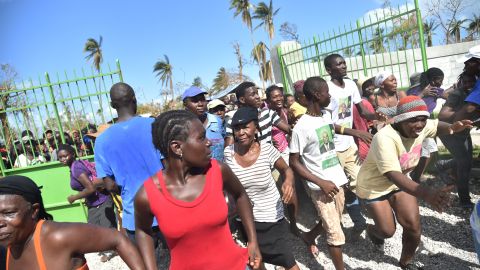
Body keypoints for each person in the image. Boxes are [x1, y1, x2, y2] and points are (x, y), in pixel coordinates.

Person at [134, 110, 261, 270]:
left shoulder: (217, 171)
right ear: (177, 147)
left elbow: (241, 195)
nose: (209, 142)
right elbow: (143, 230)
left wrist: (253, 241)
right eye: (201, 138)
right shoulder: (147, 195)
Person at [356, 96, 471, 269]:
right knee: (387, 231)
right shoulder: (385, 137)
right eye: (413, 121)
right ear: (400, 120)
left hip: (400, 183)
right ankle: (372, 231)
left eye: (422, 119)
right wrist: (427, 193)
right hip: (375, 186)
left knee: (413, 227)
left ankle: (405, 262)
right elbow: (393, 174)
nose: (419, 125)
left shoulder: (421, 127)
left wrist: (452, 128)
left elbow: (435, 125)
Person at [0, 175, 145, 270]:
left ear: (34, 211)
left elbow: (117, 238)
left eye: (8, 213)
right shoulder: (5, 249)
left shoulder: (58, 237)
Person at [224, 107, 299, 270]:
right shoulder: (228, 153)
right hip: (244, 219)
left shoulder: (266, 149)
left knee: (288, 261)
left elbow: (287, 169)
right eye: (237, 128)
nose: (241, 132)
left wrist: (288, 181)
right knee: (255, 261)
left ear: (256, 128)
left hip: (271, 216)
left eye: (246, 127)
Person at [289, 77, 350, 270]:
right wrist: (320, 182)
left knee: (333, 220)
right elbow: (294, 162)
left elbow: (332, 129)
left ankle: (309, 235)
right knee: (335, 234)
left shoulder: (325, 115)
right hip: (320, 187)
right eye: (326, 92)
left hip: (337, 181)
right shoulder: (301, 127)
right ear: (317, 95)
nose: (329, 95)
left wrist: (356, 133)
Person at [93, 82, 164, 243]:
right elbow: (170, 164)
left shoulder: (102, 141)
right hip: (166, 209)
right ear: (134, 100)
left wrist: (128, 190)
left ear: (112, 105)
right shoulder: (154, 126)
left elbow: (109, 185)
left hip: (135, 218)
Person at [324, 54, 378, 238]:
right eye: (338, 64)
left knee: (359, 183)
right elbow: (326, 124)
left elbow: (362, 111)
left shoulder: (351, 85)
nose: (343, 66)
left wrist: (378, 115)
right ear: (329, 70)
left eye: (344, 62)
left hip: (349, 146)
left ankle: (371, 222)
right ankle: (337, 228)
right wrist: (356, 133)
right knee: (337, 190)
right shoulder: (326, 89)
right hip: (331, 148)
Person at [57, 143, 117, 262]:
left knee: (107, 227)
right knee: (94, 228)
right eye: (60, 157)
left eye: (65, 156)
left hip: (102, 199)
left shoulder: (76, 168)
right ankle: (111, 247)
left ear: (72, 154)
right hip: (94, 202)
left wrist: (74, 197)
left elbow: (90, 188)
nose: (63, 159)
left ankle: (115, 249)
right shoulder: (74, 166)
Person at [438, 72, 478, 207]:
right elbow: (442, 116)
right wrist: (464, 111)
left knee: (467, 162)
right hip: (449, 133)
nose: (468, 85)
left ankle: (442, 164)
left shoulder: (475, 95)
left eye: (471, 82)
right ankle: (465, 200)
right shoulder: (457, 94)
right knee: (464, 164)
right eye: (465, 82)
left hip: (463, 133)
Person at [407, 68, 446, 182]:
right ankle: (414, 178)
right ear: (432, 80)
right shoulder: (419, 91)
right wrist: (422, 94)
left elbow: (445, 94)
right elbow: (409, 103)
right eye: (439, 80)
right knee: (425, 152)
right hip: (418, 124)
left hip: (423, 124)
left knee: (427, 151)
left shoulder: (428, 89)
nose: (441, 83)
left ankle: (415, 176)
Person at [225, 82, 290, 147]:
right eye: (253, 95)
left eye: (257, 93)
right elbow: (228, 148)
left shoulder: (268, 113)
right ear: (242, 100)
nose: (258, 97)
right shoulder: (233, 119)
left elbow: (289, 130)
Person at [183, 86, 225, 161]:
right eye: (195, 101)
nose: (200, 104)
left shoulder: (217, 120)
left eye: (202, 99)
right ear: (185, 105)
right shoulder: (182, 126)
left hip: (220, 170)